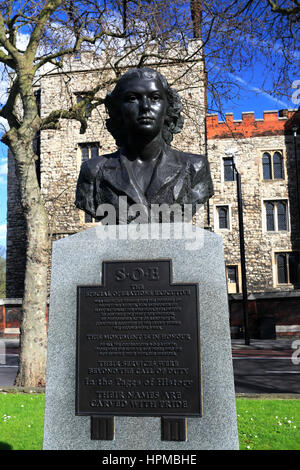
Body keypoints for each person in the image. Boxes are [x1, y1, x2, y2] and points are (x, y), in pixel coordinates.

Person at [75, 67, 213, 223]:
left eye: (155, 98)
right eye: (133, 98)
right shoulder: (93, 172)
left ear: (168, 107)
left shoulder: (195, 167)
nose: (145, 106)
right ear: (118, 110)